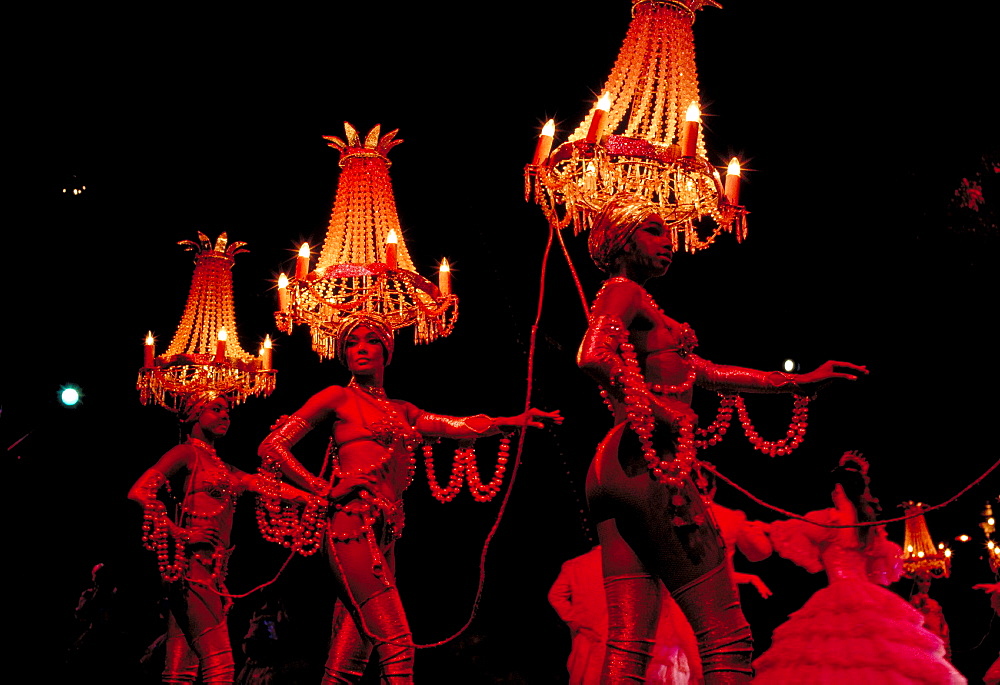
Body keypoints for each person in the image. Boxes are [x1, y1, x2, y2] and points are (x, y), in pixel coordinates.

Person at [576, 195, 867, 684]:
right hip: (650, 460)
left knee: (630, 641)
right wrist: (657, 407)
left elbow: (707, 373)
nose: (668, 242)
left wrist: (797, 382)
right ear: (623, 238)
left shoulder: (641, 302)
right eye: (653, 230)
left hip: (615, 466)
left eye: (668, 232)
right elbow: (591, 354)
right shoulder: (623, 290)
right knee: (726, 638)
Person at [258, 313, 561, 684]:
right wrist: (324, 489)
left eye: (371, 340)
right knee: (398, 647)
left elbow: (450, 424)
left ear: (387, 351)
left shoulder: (402, 410)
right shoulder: (337, 397)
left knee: (348, 663)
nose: (361, 349)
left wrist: (507, 421)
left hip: (387, 534)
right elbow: (272, 446)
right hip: (352, 526)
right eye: (351, 343)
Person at [129, 393, 320, 685]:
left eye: (227, 411)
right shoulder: (185, 453)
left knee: (180, 669)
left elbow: (261, 484)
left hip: (213, 572)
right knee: (220, 664)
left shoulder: (223, 467)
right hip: (191, 567)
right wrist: (179, 532)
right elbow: (140, 491)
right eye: (215, 409)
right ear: (194, 414)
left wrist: (316, 497)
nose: (225, 416)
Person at [752, 453, 966, 684]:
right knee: (878, 655)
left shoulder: (828, 520)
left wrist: (764, 526)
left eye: (835, 489)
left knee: (831, 656)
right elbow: (882, 561)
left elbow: (793, 529)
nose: (833, 494)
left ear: (839, 490)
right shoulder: (867, 523)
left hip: (837, 593)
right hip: (868, 594)